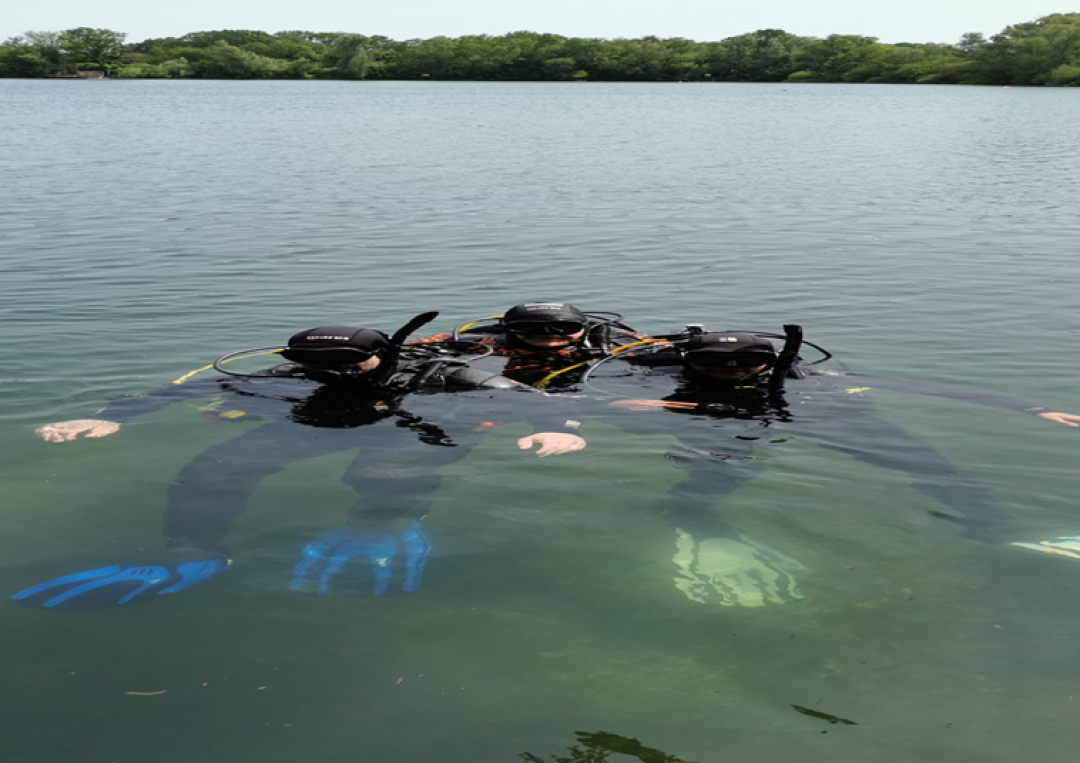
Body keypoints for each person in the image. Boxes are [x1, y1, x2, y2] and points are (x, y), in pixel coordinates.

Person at [15, 313, 586, 609]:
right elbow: (179, 390)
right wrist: (114, 415)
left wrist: (560, 431)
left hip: (409, 427)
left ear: (380, 355)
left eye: (345, 366)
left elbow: (532, 400)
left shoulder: (446, 372)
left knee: (384, 470)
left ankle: (380, 524)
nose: (329, 373)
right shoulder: (306, 371)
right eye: (317, 366)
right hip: (320, 423)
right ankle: (194, 554)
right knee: (217, 466)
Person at [587, 325, 1080, 607]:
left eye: (744, 366)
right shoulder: (661, 377)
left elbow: (920, 388)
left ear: (769, 361)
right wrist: (648, 408)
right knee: (713, 475)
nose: (730, 373)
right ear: (691, 363)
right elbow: (591, 399)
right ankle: (702, 527)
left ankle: (996, 531)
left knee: (929, 464)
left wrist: (1030, 408)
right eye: (715, 366)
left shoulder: (804, 376)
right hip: (725, 429)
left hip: (819, 416)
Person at [412, 302, 650, 390]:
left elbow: (670, 350)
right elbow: (409, 348)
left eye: (563, 328)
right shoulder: (481, 343)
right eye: (530, 328)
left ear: (584, 328)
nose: (548, 335)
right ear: (509, 329)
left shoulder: (619, 343)